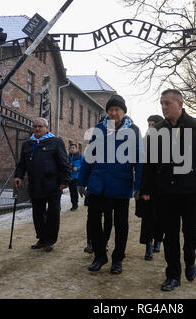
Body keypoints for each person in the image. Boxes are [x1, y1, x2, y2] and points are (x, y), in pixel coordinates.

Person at [140, 89, 196, 291]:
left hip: (191, 192)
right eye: (162, 104)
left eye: (167, 103)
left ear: (180, 104)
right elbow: (149, 163)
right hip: (165, 193)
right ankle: (173, 274)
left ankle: (190, 259)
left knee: (192, 232)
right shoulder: (157, 130)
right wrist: (146, 188)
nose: (164, 107)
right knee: (170, 235)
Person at [77, 94, 143, 274]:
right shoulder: (99, 129)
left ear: (123, 112)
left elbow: (140, 160)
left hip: (121, 185)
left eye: (117, 110)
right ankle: (99, 256)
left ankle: (117, 259)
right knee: (94, 222)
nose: (113, 113)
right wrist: (82, 181)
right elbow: (89, 156)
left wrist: (139, 185)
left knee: (121, 224)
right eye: (110, 110)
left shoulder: (134, 131)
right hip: (98, 184)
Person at [14, 118, 71, 252]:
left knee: (52, 214)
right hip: (35, 184)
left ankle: (50, 240)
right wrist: (18, 176)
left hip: (53, 184)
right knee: (38, 214)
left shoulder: (56, 142)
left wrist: (65, 181)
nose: (37, 129)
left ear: (46, 128)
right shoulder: (28, 144)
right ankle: (42, 238)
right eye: (35, 126)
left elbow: (64, 162)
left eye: (40, 126)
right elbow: (21, 163)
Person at [136, 115, 165, 261]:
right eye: (149, 124)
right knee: (147, 217)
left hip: (162, 186)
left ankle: (158, 240)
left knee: (160, 217)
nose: (151, 127)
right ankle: (148, 244)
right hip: (147, 184)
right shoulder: (143, 142)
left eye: (153, 124)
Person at [69, 144, 83, 211]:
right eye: (70, 148)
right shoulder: (68, 157)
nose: (72, 149)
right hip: (70, 177)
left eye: (73, 148)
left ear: (76, 149)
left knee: (75, 191)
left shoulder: (80, 157)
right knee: (71, 191)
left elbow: (84, 166)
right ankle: (73, 204)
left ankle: (75, 205)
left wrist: (77, 168)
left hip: (77, 177)